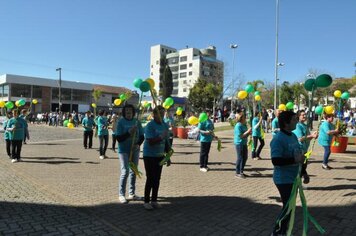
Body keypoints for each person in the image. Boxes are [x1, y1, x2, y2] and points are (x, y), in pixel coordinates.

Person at [270, 111, 304, 236]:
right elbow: (276, 160)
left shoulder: (293, 136)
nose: (297, 121)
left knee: (290, 207)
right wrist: (294, 160)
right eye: (294, 119)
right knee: (287, 207)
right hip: (283, 179)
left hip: (293, 178)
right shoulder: (278, 139)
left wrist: (304, 172)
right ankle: (277, 231)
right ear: (286, 123)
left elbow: (298, 155)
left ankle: (283, 230)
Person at [142, 105, 170, 210]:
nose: (162, 116)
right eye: (159, 114)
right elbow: (150, 142)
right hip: (149, 155)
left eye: (163, 114)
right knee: (150, 178)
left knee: (157, 178)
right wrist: (161, 137)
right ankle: (146, 201)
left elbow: (166, 142)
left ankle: (154, 200)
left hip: (160, 155)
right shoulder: (150, 125)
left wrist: (168, 156)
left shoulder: (165, 125)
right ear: (154, 115)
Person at [116, 104, 144, 204]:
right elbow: (119, 138)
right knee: (125, 171)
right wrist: (129, 132)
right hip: (123, 150)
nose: (128, 113)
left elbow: (142, 136)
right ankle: (121, 194)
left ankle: (132, 194)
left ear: (133, 112)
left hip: (134, 150)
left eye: (130, 111)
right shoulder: (121, 122)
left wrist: (138, 144)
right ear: (124, 112)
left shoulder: (137, 122)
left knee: (134, 171)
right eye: (127, 111)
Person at [292, 110, 318, 184]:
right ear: (298, 116)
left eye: (305, 115)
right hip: (299, 149)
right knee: (301, 167)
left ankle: (299, 182)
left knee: (303, 166)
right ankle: (299, 182)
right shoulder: (297, 126)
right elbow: (300, 138)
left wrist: (313, 136)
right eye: (302, 115)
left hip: (305, 150)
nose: (305, 116)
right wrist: (311, 136)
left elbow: (307, 137)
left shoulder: (305, 126)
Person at [234, 113, 252, 178]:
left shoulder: (244, 125)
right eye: (244, 117)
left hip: (244, 143)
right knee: (240, 157)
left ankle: (241, 171)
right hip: (239, 143)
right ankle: (237, 172)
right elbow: (241, 136)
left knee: (245, 157)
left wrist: (249, 133)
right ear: (241, 119)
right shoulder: (238, 126)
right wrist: (248, 131)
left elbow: (245, 135)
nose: (245, 118)